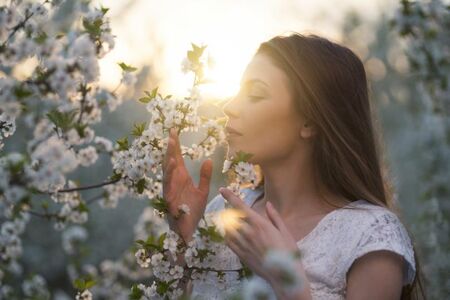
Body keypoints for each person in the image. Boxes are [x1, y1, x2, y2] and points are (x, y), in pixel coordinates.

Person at [162, 33, 425, 299]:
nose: (230, 107)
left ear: (309, 122)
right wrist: (183, 241)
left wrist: (287, 283)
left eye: (255, 94)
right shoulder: (223, 210)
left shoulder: (371, 237)